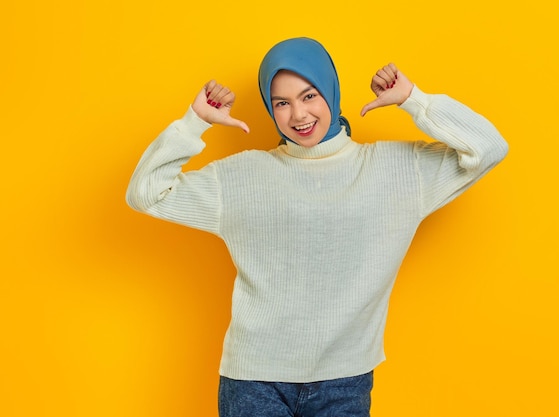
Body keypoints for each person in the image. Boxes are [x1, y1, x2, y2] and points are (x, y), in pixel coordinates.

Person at [126, 37, 508, 417]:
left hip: (345, 381)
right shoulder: (241, 176)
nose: (298, 115)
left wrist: (415, 100)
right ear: (269, 107)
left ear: (330, 90)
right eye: (282, 103)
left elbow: (489, 146)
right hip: (253, 382)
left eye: (309, 96)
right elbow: (144, 194)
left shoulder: (398, 171)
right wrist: (194, 123)